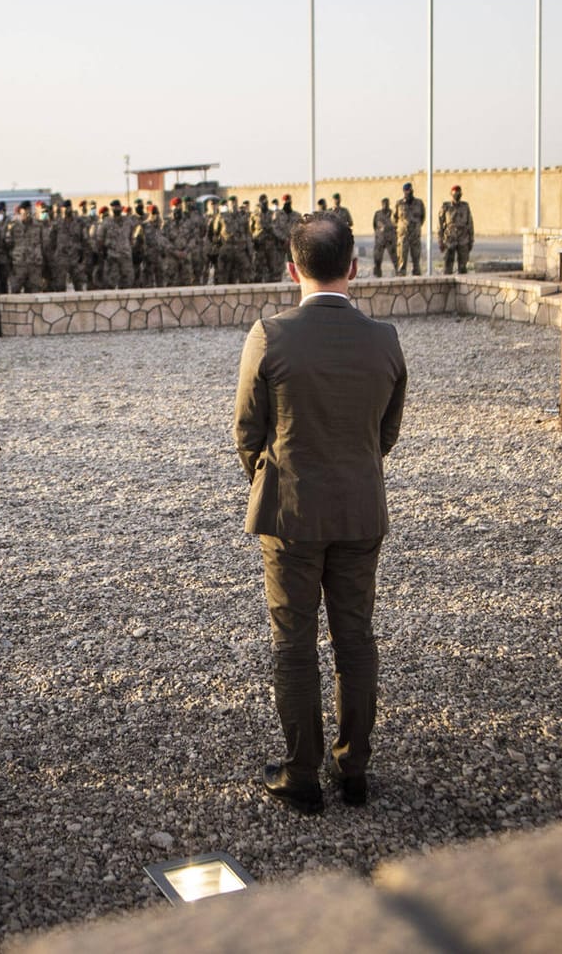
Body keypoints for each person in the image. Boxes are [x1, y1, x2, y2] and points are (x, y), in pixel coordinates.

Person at [233, 213, 407, 814]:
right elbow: (387, 430)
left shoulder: (270, 334)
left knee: (294, 644)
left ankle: (302, 774)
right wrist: (354, 468)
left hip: (290, 513)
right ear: (354, 268)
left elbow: (246, 431)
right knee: (355, 638)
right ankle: (353, 768)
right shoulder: (384, 339)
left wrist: (273, 475)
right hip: (360, 511)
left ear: (292, 268)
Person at [438, 185, 475, 275]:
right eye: (455, 193)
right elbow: (440, 225)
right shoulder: (445, 207)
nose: (457, 195)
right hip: (450, 239)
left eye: (458, 193)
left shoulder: (465, 207)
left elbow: (470, 223)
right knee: (447, 267)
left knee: (463, 267)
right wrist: (440, 240)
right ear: (451, 194)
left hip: (463, 239)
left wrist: (471, 240)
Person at [393, 182, 426, 276]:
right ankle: (401, 277)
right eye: (407, 190)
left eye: (410, 190)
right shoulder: (399, 204)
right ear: (404, 191)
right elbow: (394, 219)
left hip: (415, 235)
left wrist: (416, 226)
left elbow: (422, 217)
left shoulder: (419, 203)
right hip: (403, 236)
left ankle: (417, 278)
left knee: (416, 259)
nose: (409, 192)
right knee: (402, 258)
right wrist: (401, 227)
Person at [371, 198, 396, 278]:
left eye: (387, 204)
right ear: (382, 204)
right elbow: (374, 225)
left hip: (391, 240)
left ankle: (398, 273)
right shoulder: (378, 214)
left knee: (395, 258)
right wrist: (379, 233)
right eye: (384, 204)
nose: (385, 205)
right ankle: (377, 275)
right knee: (377, 258)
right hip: (380, 239)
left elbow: (396, 224)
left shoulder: (393, 213)